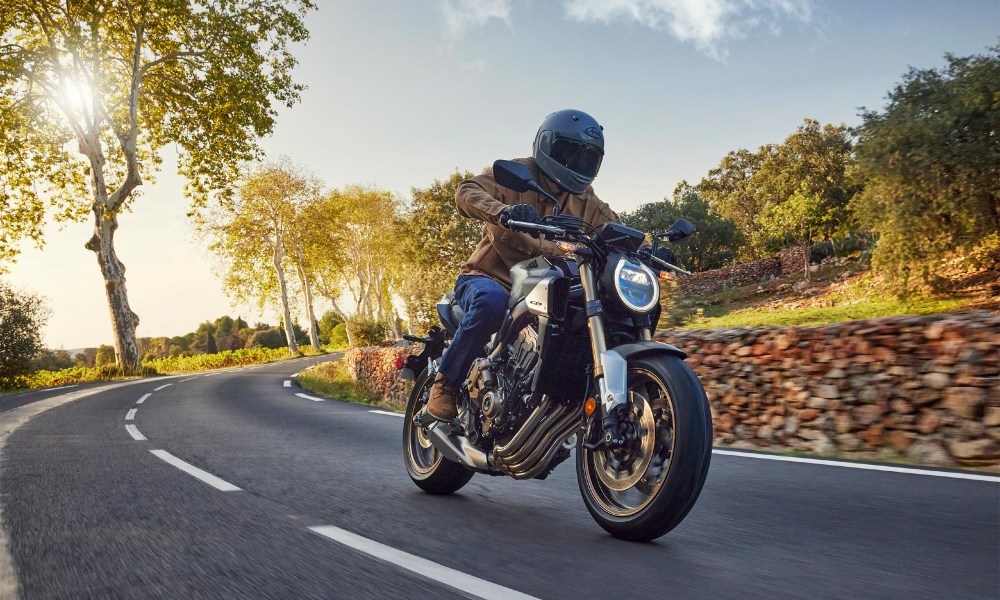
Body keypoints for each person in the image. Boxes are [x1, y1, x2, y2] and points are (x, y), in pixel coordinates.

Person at [425, 109, 670, 421]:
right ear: (547, 145)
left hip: (552, 282)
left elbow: (615, 228)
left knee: (609, 308)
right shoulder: (516, 174)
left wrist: (649, 250)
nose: (576, 164)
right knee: (491, 303)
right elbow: (467, 191)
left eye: (586, 158)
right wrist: (502, 210)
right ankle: (446, 382)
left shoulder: (585, 199)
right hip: (491, 278)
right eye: (569, 153)